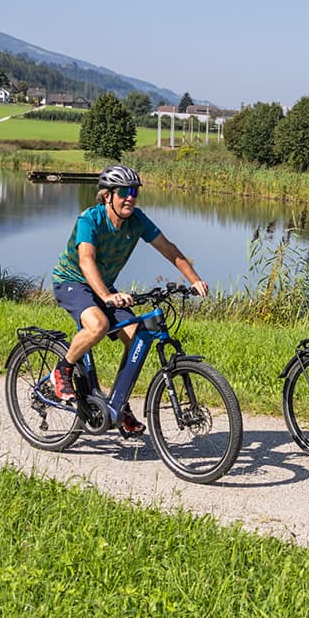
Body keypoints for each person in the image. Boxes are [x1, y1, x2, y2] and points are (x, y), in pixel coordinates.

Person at [48, 162, 209, 434]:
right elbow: (86, 261)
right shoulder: (90, 219)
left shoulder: (137, 220)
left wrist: (194, 280)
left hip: (103, 286)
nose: (130, 197)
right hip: (72, 281)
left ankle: (118, 405)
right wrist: (107, 296)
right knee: (98, 325)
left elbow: (168, 249)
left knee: (137, 338)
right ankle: (62, 370)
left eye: (134, 191)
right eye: (124, 192)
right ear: (107, 195)